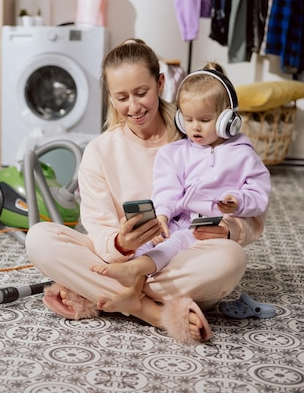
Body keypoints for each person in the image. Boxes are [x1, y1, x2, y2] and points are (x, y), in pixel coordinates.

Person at [25, 39, 266, 345]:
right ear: (111, 99)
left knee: (230, 258)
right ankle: (150, 310)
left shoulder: (197, 131)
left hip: (181, 258)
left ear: (160, 83)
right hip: (122, 263)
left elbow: (252, 216)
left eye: (142, 93)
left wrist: (229, 230)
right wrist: (120, 243)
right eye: (122, 97)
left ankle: (107, 292)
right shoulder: (100, 151)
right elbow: (99, 230)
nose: (134, 107)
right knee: (40, 238)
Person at [90, 63, 271, 314]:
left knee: (209, 253)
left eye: (205, 120)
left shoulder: (243, 155)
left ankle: (130, 281)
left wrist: (238, 201)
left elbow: (259, 194)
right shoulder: (175, 152)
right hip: (176, 221)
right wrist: (161, 215)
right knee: (146, 243)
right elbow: (167, 190)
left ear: (227, 120)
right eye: (188, 119)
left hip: (204, 229)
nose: (194, 127)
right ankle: (135, 293)